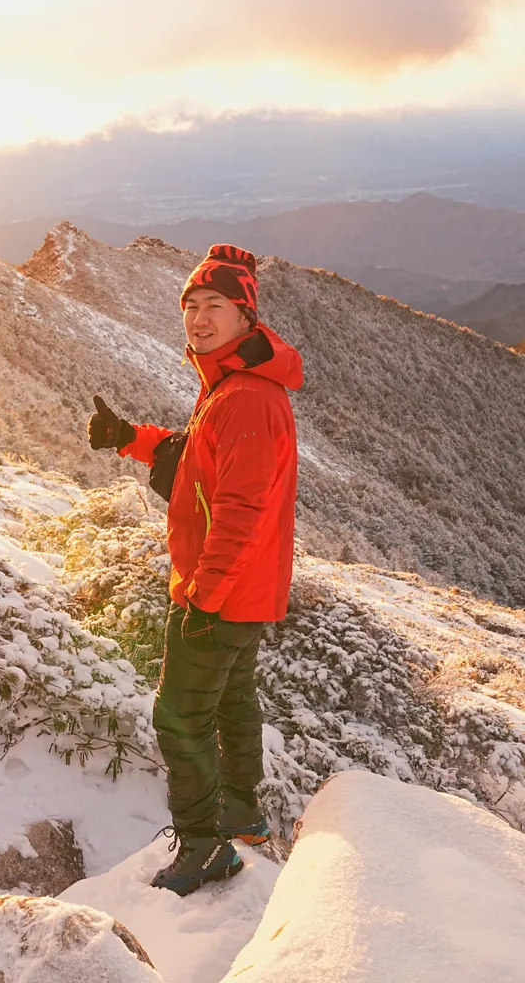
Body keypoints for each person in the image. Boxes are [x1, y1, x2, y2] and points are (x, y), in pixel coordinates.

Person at [87, 243, 303, 897]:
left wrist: (203, 600)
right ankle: (241, 811)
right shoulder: (229, 387)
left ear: (246, 316)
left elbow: (240, 509)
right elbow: (191, 457)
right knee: (233, 700)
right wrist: (128, 436)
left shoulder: (245, 399)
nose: (199, 318)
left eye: (215, 306)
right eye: (191, 306)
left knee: (177, 717)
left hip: (222, 595)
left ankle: (206, 848)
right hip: (246, 593)